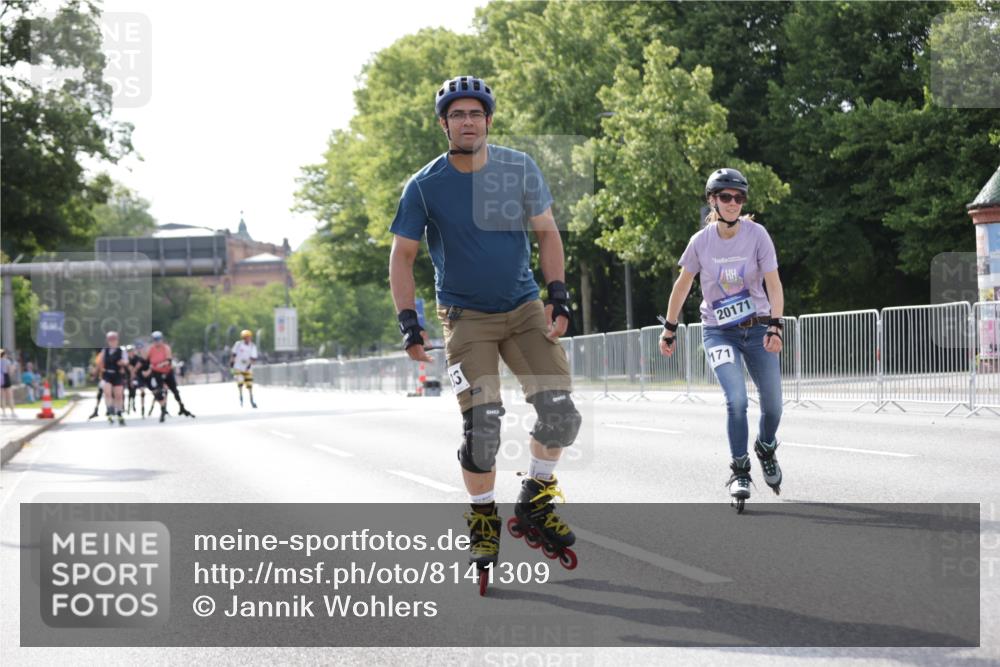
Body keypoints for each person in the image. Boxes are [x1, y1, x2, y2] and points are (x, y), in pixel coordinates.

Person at [388, 75, 581, 582]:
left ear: (489, 120)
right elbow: (402, 257)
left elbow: (547, 233)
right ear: (444, 124)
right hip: (466, 317)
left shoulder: (519, 167)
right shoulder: (424, 185)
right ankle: (483, 521)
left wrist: (558, 294)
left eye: (476, 114)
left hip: (523, 309)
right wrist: (409, 322)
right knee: (484, 429)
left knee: (561, 414)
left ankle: (536, 499)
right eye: (457, 115)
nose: (467, 122)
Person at [659, 168, 785, 512]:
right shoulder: (700, 242)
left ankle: (766, 446)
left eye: (739, 198)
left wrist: (776, 325)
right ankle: (740, 469)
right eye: (726, 197)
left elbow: (773, 283)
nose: (733, 203)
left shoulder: (758, 235)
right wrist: (669, 329)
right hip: (719, 332)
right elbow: (682, 286)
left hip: (758, 328)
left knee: (774, 405)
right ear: (713, 201)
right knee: (737, 400)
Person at [144, 331, 195, 422]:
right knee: (159, 391)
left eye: (158, 339)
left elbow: (169, 360)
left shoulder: (165, 348)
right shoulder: (151, 349)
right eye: (155, 340)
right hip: (157, 373)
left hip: (167, 371)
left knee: (174, 390)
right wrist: (148, 370)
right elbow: (147, 361)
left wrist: (162, 364)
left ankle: (181, 407)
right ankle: (163, 410)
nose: (157, 341)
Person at [96, 331, 128, 426]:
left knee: (118, 394)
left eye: (114, 340)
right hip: (107, 374)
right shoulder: (104, 350)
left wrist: (122, 362)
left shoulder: (121, 350)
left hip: (117, 374)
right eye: (110, 340)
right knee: (107, 392)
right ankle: (109, 410)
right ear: (108, 341)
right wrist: (98, 370)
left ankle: (119, 412)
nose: (112, 342)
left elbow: (126, 361)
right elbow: (99, 362)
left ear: (117, 340)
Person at [230, 329, 259, 408]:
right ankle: (241, 397)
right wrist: (232, 364)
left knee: (249, 384)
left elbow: (253, 358)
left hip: (247, 367)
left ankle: (251, 400)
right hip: (238, 367)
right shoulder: (238, 345)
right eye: (245, 337)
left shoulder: (252, 346)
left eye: (248, 337)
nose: (247, 339)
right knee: (240, 382)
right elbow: (233, 354)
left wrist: (249, 365)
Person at [126, 344, 149, 417]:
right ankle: (130, 406)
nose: (130, 352)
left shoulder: (137, 358)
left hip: (139, 377)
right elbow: (129, 369)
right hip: (131, 377)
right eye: (128, 351)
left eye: (131, 351)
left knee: (142, 391)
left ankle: (142, 408)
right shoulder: (127, 360)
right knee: (131, 393)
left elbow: (135, 369)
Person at [0, 349, 15, 418]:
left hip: (0, 378)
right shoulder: (7, 361)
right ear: (5, 354)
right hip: (6, 377)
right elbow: (10, 372)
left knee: (2, 397)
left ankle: (4, 413)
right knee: (10, 396)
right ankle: (12, 412)